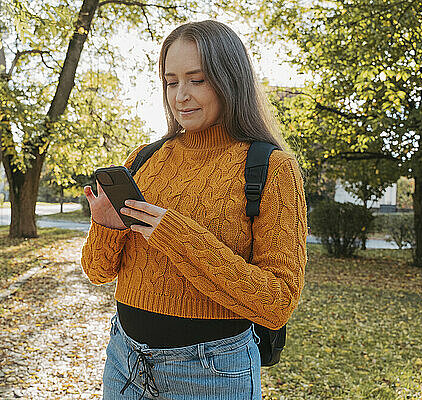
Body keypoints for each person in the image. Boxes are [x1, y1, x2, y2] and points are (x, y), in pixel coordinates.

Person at [81, 20, 307, 400]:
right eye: (171, 82)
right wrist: (107, 226)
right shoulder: (145, 158)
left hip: (212, 372)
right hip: (125, 360)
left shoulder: (271, 168)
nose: (180, 95)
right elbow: (98, 272)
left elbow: (277, 303)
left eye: (197, 80)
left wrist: (175, 235)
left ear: (230, 79)